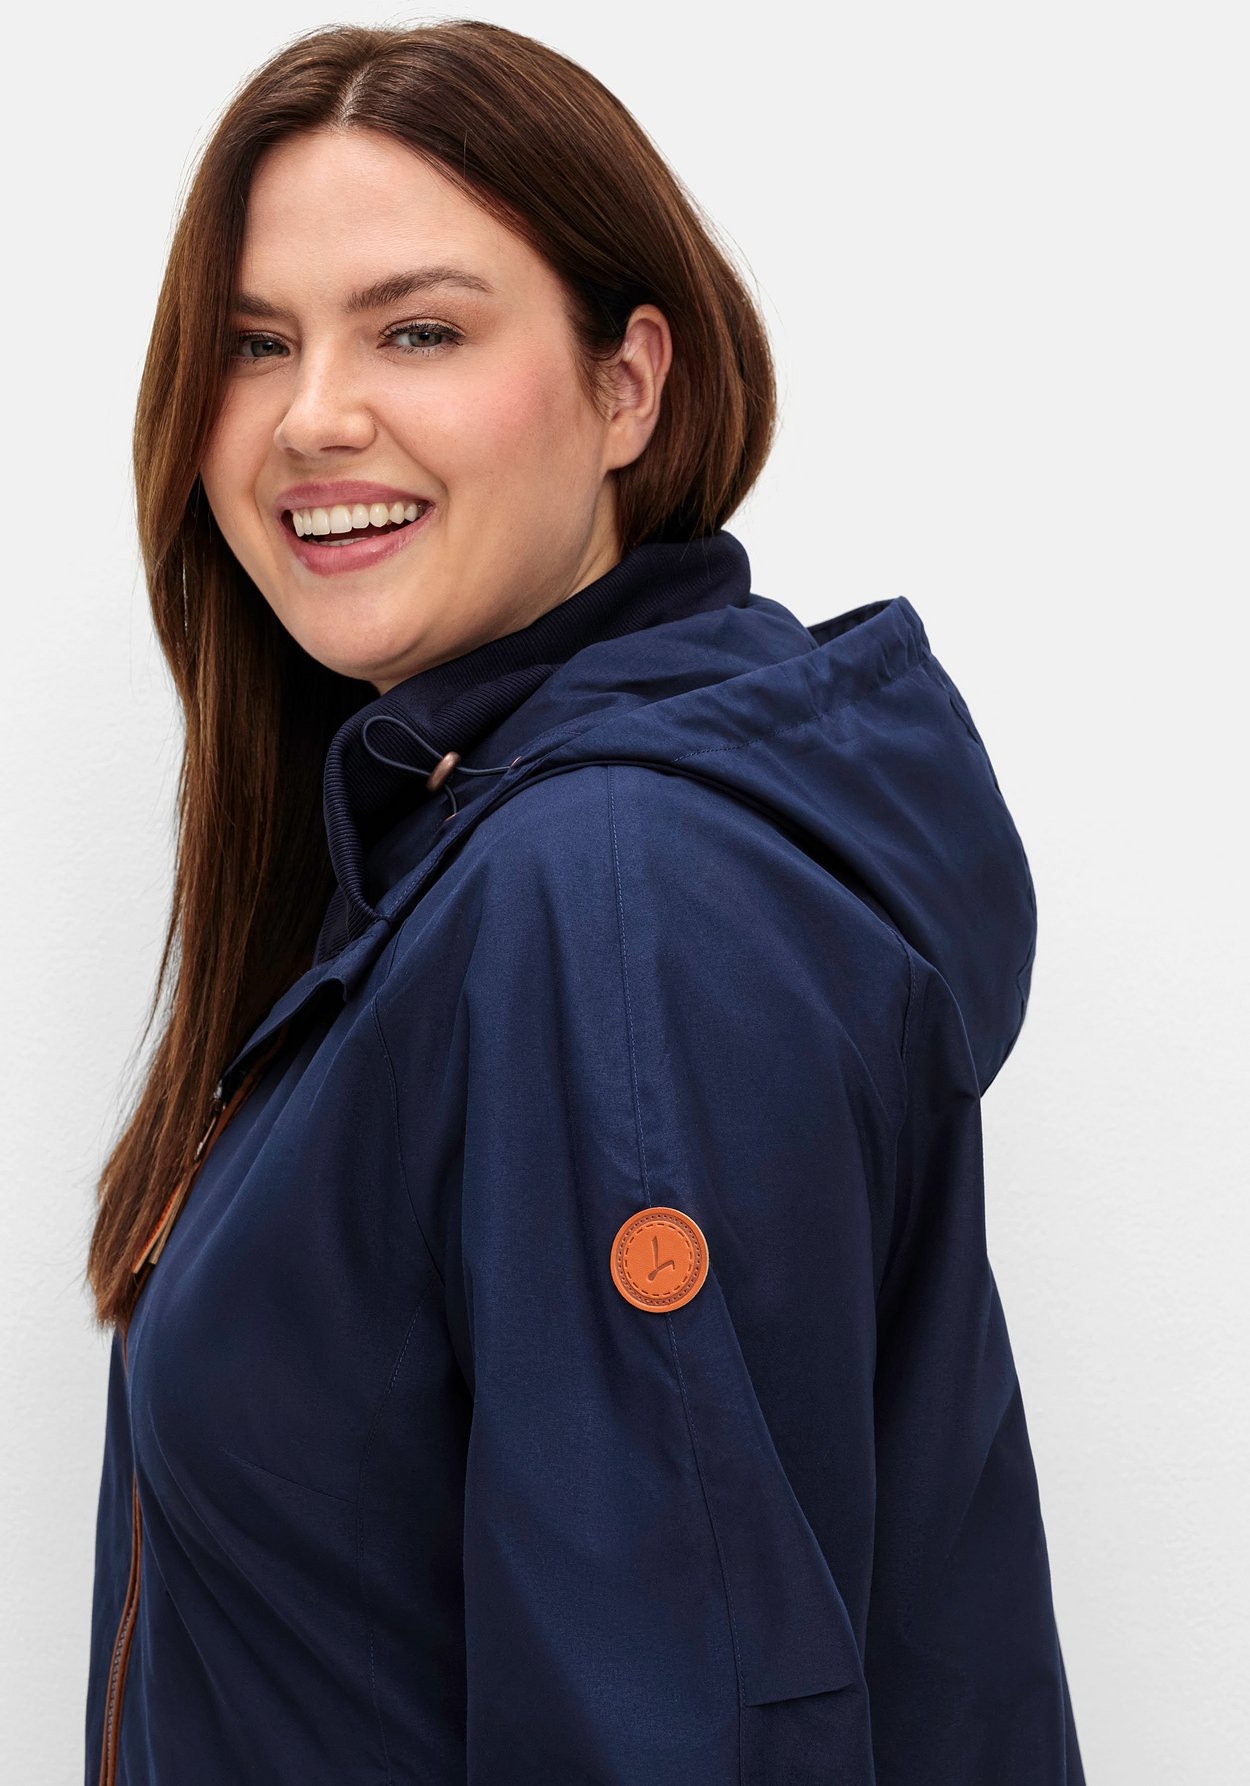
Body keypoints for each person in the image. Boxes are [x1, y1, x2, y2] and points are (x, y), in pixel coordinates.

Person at [83, 19, 1085, 1785]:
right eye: (256, 344)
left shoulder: (604, 893)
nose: (314, 416)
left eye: (418, 329)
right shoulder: (455, 852)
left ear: (629, 386)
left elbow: (680, 1727)